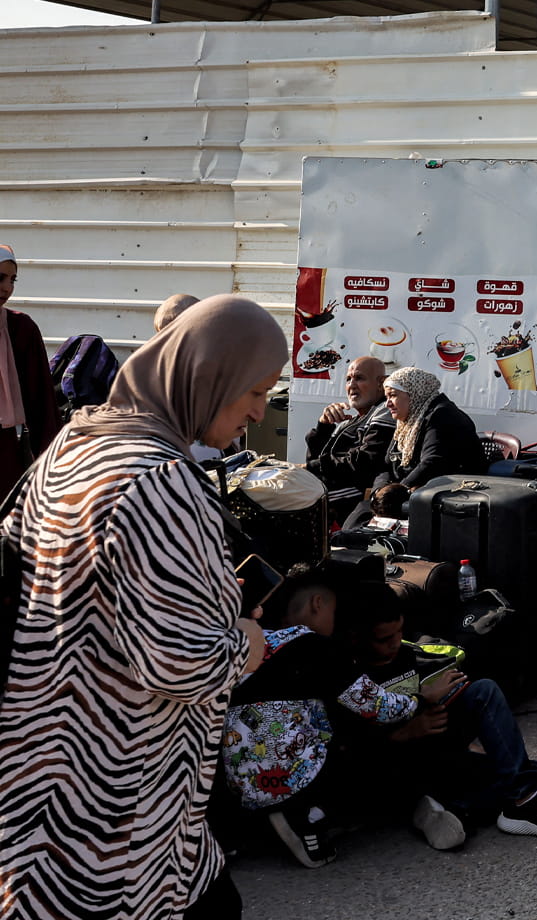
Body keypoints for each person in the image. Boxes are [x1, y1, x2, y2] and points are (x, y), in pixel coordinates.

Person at [0, 294, 282, 919]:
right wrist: (245, 640)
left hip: (43, 767)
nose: (260, 413)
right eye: (254, 391)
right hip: (122, 803)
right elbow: (179, 665)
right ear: (208, 375)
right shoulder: (161, 482)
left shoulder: (77, 444)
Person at [342, 583, 537, 852]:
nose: (394, 643)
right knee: (521, 778)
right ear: (358, 637)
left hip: (436, 753)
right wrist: (407, 731)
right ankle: (473, 805)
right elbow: (353, 750)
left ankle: (463, 805)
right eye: (384, 638)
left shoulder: (403, 652)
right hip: (396, 766)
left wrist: (445, 696)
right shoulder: (348, 676)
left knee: (536, 768)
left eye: (399, 632)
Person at [221, 566, 437, 868]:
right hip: (295, 779)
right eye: (336, 612)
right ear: (318, 603)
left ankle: (256, 825)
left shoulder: (245, 645)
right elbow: (376, 706)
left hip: (238, 785)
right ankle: (307, 815)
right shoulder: (315, 646)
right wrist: (422, 698)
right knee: (357, 740)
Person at [343, 366, 485, 528]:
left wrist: (396, 492)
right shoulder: (409, 420)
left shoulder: (443, 415)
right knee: (362, 512)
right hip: (408, 489)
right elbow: (386, 464)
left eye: (393, 396)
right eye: (386, 397)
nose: (388, 403)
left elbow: (433, 462)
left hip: (444, 495)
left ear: (413, 394)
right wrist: (379, 492)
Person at [0, 243, 59, 496]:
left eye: (13, 280)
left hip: (4, 453)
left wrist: (52, 462)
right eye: (0, 278)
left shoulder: (20, 329)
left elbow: (41, 403)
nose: (7, 288)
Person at [304, 356, 395, 510]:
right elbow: (315, 459)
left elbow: (365, 463)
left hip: (359, 496)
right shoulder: (349, 423)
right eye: (348, 379)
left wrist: (309, 467)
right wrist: (324, 426)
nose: (351, 385)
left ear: (381, 383)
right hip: (328, 488)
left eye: (359, 378)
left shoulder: (386, 411)